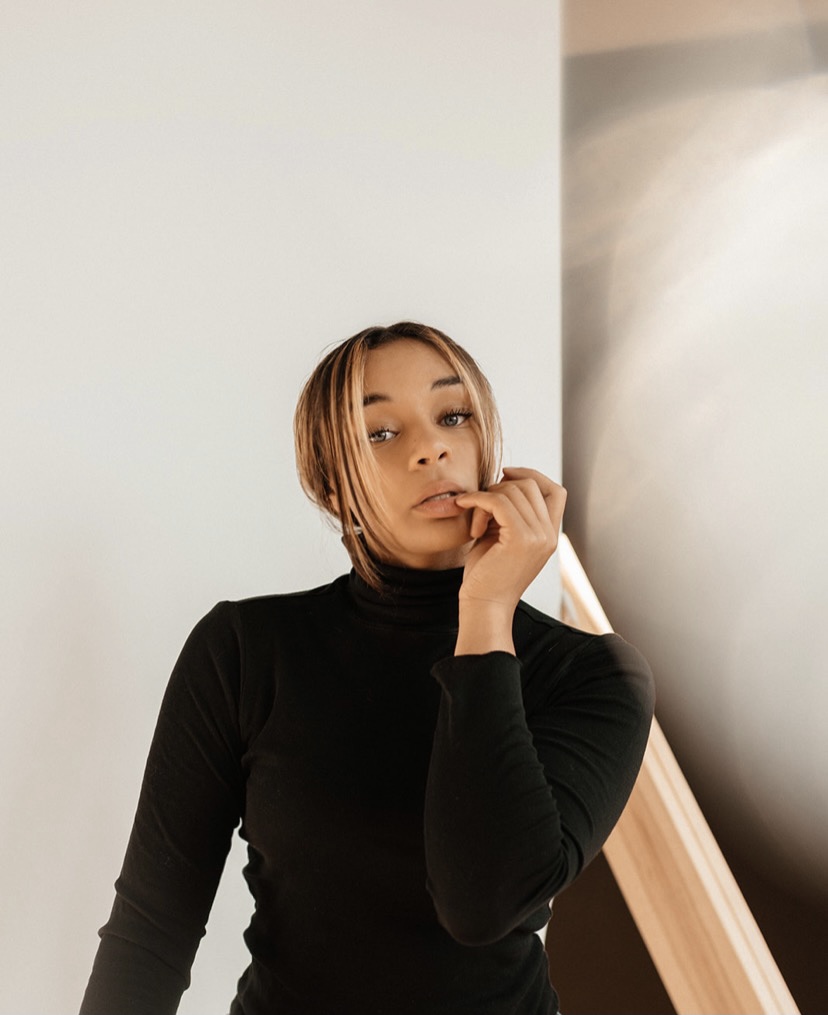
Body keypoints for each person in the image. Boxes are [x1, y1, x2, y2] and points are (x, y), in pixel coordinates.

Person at [80, 321, 654, 1015]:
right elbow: (151, 932)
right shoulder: (244, 651)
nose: (431, 447)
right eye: (381, 432)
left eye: (453, 416)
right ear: (332, 487)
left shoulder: (593, 675)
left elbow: (483, 902)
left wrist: (486, 612)